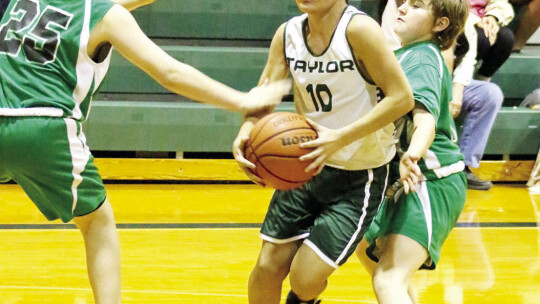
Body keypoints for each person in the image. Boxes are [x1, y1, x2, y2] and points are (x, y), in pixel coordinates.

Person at [0, 0, 290, 303]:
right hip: (44, 125)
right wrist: (242, 101)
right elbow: (170, 73)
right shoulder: (108, 16)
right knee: (97, 223)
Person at [231, 1, 414, 303]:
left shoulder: (359, 30)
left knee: (305, 280)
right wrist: (247, 129)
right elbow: (263, 97)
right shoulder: (287, 34)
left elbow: (402, 98)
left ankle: (304, 299)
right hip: (304, 167)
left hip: (359, 175)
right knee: (267, 267)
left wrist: (339, 138)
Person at [355, 0, 469, 303]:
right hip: (402, 177)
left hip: (429, 179)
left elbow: (426, 119)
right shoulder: (404, 55)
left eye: (416, 5)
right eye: (403, 2)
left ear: (440, 24)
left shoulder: (423, 59)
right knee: (369, 253)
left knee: (388, 279)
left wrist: (414, 153)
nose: (402, 8)